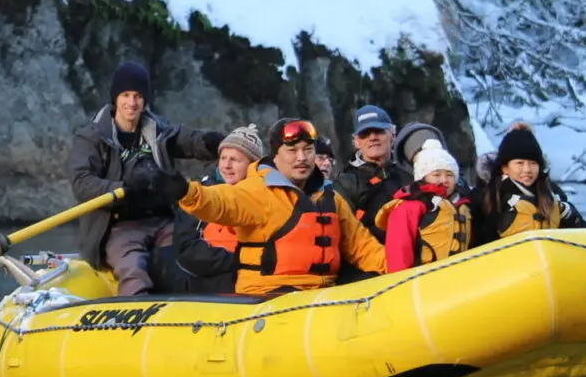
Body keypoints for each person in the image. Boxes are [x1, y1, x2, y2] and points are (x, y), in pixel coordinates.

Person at [130, 117, 386, 296]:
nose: (301, 158)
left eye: (308, 150)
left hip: (319, 296)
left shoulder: (331, 199)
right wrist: (182, 189)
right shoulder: (257, 191)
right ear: (275, 156)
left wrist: (404, 271)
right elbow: (217, 202)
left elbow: (363, 249)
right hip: (268, 298)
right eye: (292, 150)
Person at [68, 62, 223, 296]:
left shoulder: (157, 129)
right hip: (120, 226)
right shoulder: (91, 137)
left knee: (187, 260)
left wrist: (211, 143)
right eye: (126, 95)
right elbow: (82, 183)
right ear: (115, 98)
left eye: (138, 96)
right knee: (133, 269)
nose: (132, 103)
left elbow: (185, 139)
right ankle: (135, 316)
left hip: (163, 221)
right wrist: (124, 188)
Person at [168, 125, 266, 295]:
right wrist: (240, 260)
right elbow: (187, 249)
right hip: (212, 289)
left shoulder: (270, 195)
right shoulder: (199, 195)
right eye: (223, 158)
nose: (226, 165)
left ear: (253, 165)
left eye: (235, 160)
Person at [473, 123, 586, 244]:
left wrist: (568, 214)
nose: (527, 170)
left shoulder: (552, 193)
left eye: (533, 163)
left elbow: (583, 235)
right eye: (520, 163)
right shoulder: (485, 198)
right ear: (504, 167)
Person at [372, 141, 473, 271]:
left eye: (450, 175)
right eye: (436, 174)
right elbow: (399, 251)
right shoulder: (410, 206)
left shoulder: (463, 203)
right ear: (423, 177)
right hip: (426, 278)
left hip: (461, 273)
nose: (444, 180)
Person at [338, 105, 412, 234]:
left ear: (393, 135)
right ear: (356, 142)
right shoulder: (345, 183)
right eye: (364, 134)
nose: (372, 138)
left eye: (379, 131)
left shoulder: (410, 175)